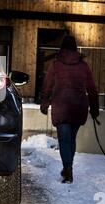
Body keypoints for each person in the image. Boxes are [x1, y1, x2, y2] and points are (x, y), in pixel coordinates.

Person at [40, 35, 99, 184]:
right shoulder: (83, 66)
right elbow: (92, 88)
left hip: (61, 105)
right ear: (75, 47)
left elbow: (47, 86)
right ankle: (68, 167)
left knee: (64, 140)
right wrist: (95, 108)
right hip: (79, 106)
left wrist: (44, 103)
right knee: (71, 139)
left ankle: (68, 170)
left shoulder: (55, 65)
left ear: (62, 48)